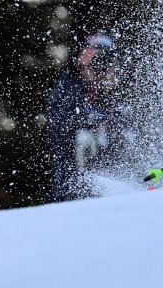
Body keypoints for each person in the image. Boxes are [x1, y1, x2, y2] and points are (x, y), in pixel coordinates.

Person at [46, 32, 131, 201]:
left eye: (104, 61)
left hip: (113, 190)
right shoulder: (71, 84)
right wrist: (92, 122)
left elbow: (126, 138)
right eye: (87, 57)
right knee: (83, 139)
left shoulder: (115, 96)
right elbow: (59, 125)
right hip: (72, 190)